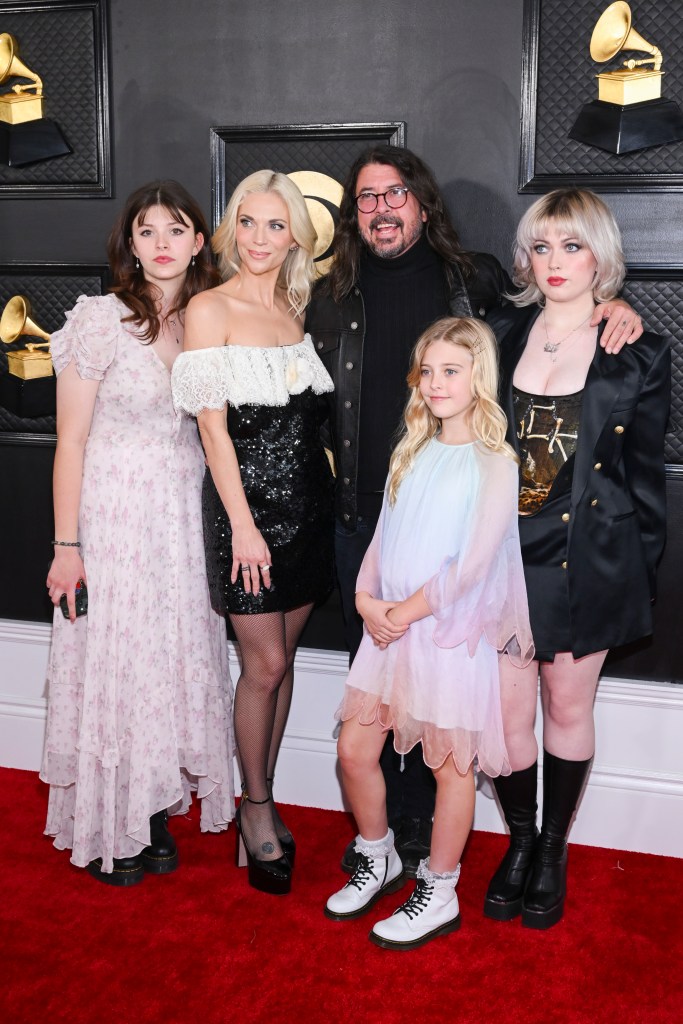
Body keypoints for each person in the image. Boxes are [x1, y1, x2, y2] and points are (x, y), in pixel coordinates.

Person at [305, 144, 643, 876]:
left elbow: (635, 475)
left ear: (422, 203)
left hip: (533, 550)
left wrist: (612, 307)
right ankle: (440, 842)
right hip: (428, 537)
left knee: (517, 703)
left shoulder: (487, 291)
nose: (381, 208)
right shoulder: (349, 303)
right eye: (365, 197)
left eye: (395, 193)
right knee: (436, 703)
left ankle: (510, 849)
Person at [484, 188, 670, 929]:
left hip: (586, 556)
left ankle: (553, 848)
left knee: (566, 704)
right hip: (498, 556)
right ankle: (519, 842)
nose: (554, 262)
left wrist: (636, 573)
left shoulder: (639, 350)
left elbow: (643, 478)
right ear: (523, 256)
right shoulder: (494, 332)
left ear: (600, 254)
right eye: (540, 245)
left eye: (571, 246)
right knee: (504, 714)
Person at [42, 180, 235, 887]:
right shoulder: (98, 319)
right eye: (147, 231)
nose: (161, 244)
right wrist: (68, 547)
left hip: (183, 516)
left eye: (175, 229)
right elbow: (70, 441)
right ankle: (113, 824)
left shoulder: (210, 317)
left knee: (168, 660)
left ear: (196, 241)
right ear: (130, 243)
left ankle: (151, 811)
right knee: (117, 661)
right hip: (114, 513)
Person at [324, 317, 534, 950]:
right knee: (354, 752)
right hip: (388, 631)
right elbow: (382, 542)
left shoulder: (494, 462)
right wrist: (365, 601)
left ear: (478, 380)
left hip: (446, 637)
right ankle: (379, 853)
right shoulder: (408, 451)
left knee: (451, 770)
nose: (437, 383)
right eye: (429, 371)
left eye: (453, 371)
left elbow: (470, 568)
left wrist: (401, 613)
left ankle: (439, 889)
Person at [172, 170, 335, 896]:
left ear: (297, 234)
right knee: (261, 667)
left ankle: (259, 795)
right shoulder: (209, 308)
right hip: (247, 516)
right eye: (248, 222)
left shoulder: (298, 310)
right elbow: (212, 431)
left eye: (276, 225)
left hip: (306, 509)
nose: (261, 239)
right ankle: (257, 808)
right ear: (230, 228)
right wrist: (242, 527)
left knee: (285, 661)